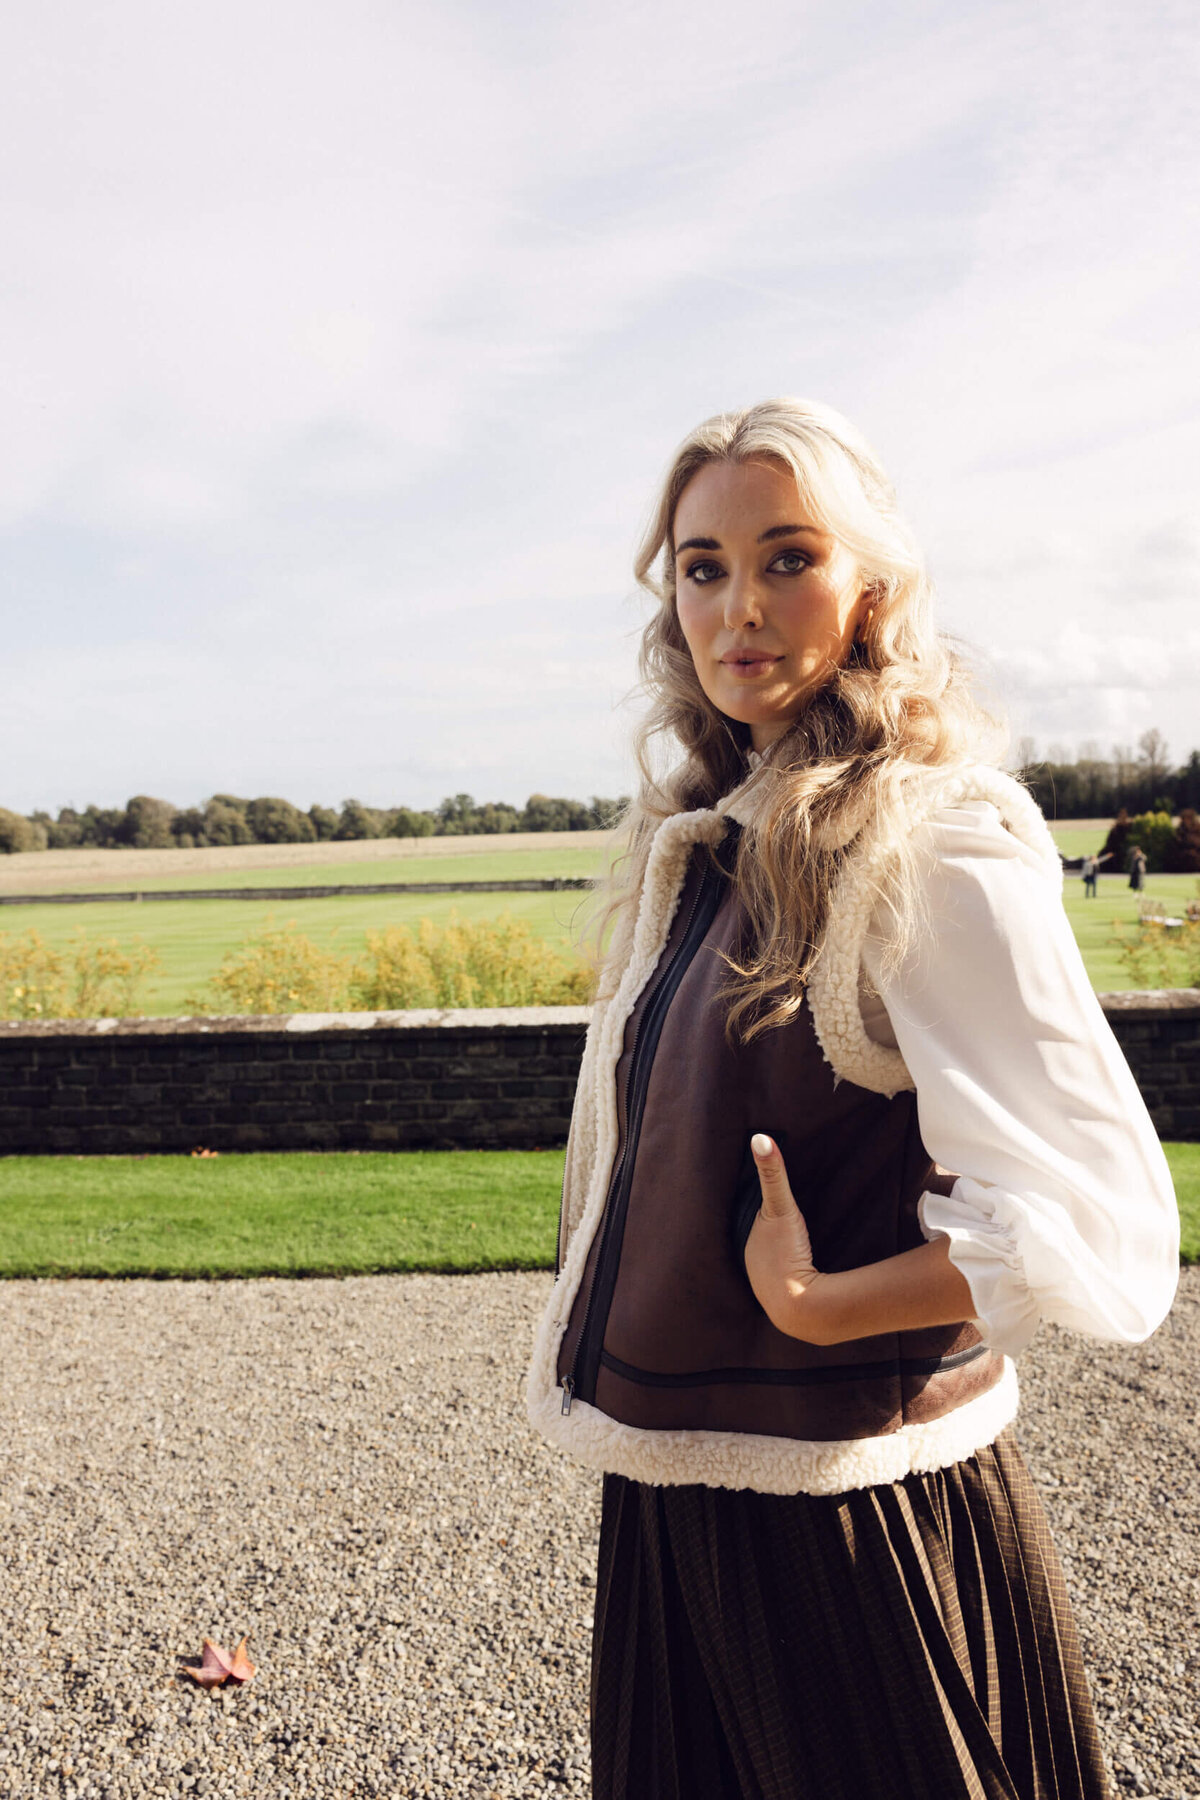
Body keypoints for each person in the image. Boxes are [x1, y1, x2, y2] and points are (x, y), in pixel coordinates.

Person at [525, 399, 1180, 1800]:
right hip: (679, 1495)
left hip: (845, 1518)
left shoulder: (930, 842)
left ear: (870, 587)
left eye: (787, 557)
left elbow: (1101, 1228)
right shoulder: (710, 834)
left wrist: (825, 1305)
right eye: (702, 566)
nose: (737, 606)